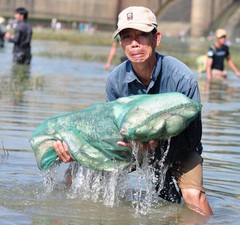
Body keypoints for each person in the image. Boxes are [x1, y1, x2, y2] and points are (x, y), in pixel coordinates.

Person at [53, 6, 213, 216]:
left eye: (141, 35)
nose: (134, 43)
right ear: (121, 43)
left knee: (193, 197)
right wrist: (78, 151)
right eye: (127, 37)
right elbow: (111, 131)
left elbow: (193, 137)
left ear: (157, 38)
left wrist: (156, 144)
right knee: (74, 175)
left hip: (180, 149)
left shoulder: (182, 78)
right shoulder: (115, 81)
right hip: (133, 149)